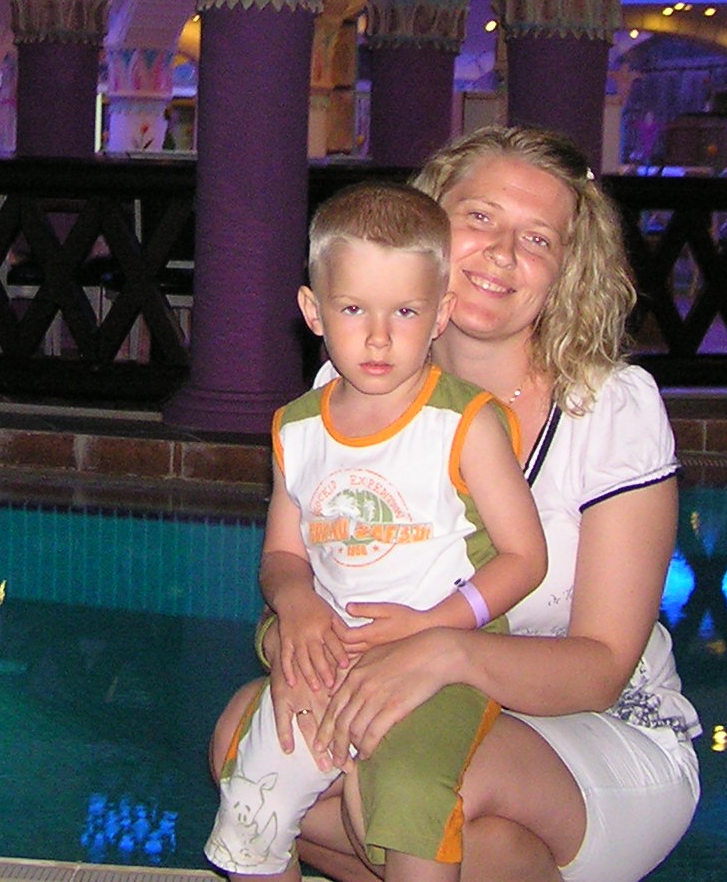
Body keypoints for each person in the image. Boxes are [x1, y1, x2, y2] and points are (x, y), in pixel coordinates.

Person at [210, 127, 700, 882]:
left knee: (409, 786)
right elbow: (311, 570)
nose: (502, 252)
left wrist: (443, 652)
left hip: (597, 728)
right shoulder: (356, 381)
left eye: (537, 238)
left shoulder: (610, 407)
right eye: (480, 218)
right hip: (404, 697)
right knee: (248, 742)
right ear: (428, 224)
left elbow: (601, 667)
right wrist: (292, 636)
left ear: (567, 270)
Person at [205, 182, 549, 882]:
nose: (379, 336)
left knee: (412, 796)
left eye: (406, 311)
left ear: (441, 313)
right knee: (255, 797)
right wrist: (296, 603)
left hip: (437, 662)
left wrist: (435, 624)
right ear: (314, 311)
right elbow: (282, 553)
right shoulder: (298, 427)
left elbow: (525, 558)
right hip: (330, 658)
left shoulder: (465, 423)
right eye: (354, 309)